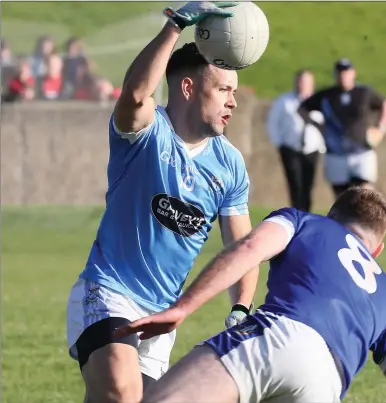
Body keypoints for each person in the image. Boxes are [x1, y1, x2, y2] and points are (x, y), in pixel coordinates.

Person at [65, 2, 259, 403]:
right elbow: (136, 94)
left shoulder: (230, 165)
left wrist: (242, 307)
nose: (233, 102)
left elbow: (243, 248)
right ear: (188, 88)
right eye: (223, 89)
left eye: (234, 92)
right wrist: (174, 28)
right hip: (109, 291)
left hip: (161, 319)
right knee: (121, 388)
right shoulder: (146, 132)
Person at [116, 187, 386, 403]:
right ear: (377, 250)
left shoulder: (303, 222)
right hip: (327, 383)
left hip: (276, 337)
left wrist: (183, 308)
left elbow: (250, 248)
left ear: (331, 218)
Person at [298, 58, 386, 199]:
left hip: (362, 151)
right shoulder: (327, 96)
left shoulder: (364, 93)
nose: (343, 76)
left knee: (366, 194)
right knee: (342, 198)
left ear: (353, 73)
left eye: (346, 72)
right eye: (340, 73)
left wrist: (381, 128)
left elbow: (385, 104)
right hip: (336, 154)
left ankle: (366, 221)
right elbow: (303, 108)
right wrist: (317, 126)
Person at [266, 70, 325, 212]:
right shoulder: (284, 101)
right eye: (301, 81)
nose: (303, 85)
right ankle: (296, 213)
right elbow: (272, 122)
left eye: (307, 82)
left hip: (312, 149)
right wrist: (278, 143)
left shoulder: (319, 101)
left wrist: (323, 145)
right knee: (295, 184)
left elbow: (325, 124)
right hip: (290, 148)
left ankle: (306, 215)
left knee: (308, 185)